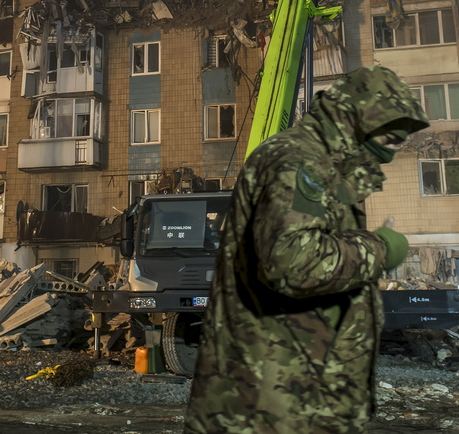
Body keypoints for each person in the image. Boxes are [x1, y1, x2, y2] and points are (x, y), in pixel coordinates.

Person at [183, 66, 428, 434]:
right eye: (391, 134)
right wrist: (380, 248)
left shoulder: (324, 164)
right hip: (273, 405)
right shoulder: (300, 161)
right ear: (356, 119)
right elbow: (293, 262)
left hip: (299, 396)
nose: (394, 149)